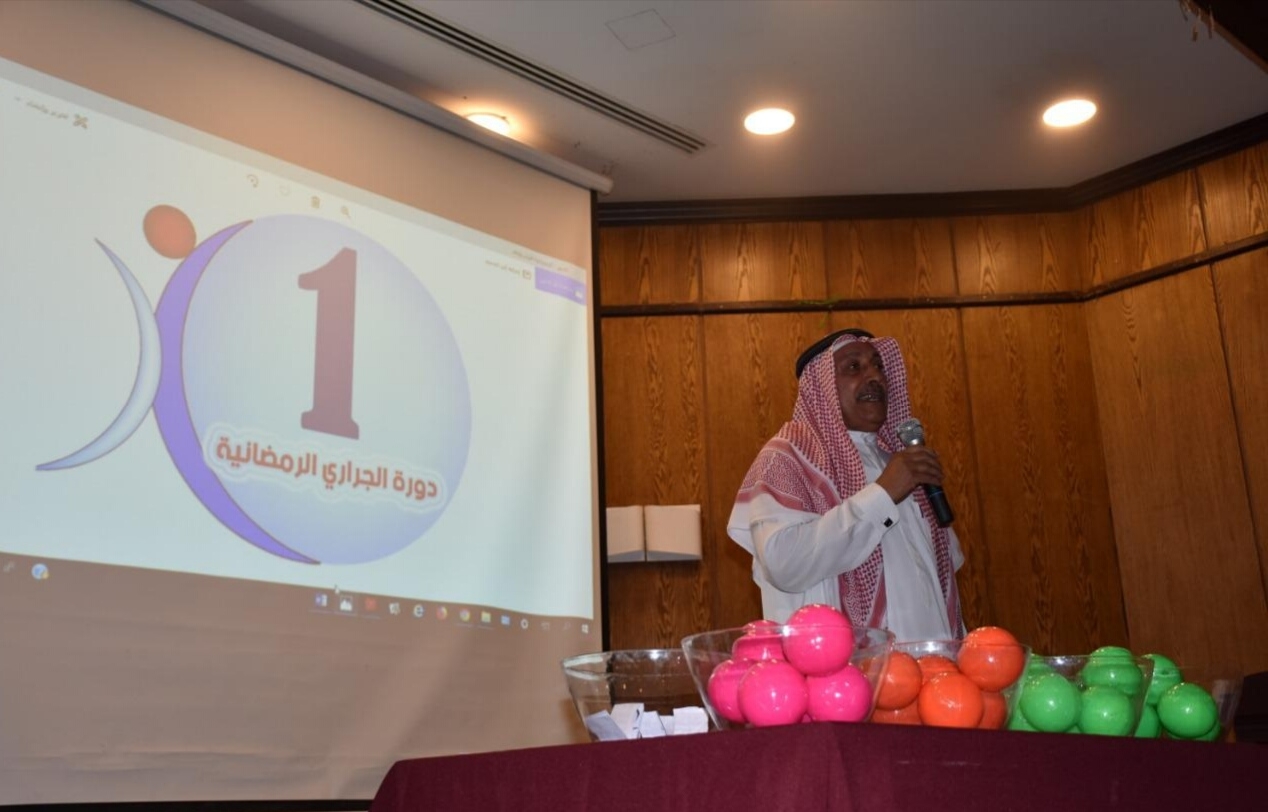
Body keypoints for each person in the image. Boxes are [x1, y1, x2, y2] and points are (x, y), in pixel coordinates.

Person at [727, 328, 964, 642]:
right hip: (844, 666)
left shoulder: (900, 460)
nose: (875, 377)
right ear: (821, 388)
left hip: (931, 663)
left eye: (878, 365)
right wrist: (884, 494)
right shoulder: (787, 457)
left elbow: (944, 569)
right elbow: (785, 564)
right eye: (854, 367)